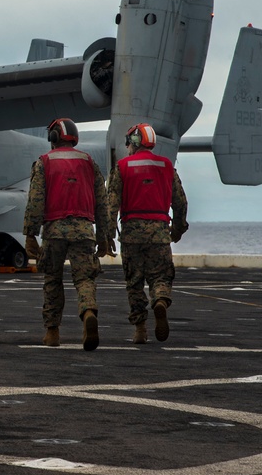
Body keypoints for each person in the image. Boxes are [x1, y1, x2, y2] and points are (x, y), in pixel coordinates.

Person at [23, 118, 113, 351]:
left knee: (52, 279)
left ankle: (52, 332)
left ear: (53, 138)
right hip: (84, 231)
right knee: (84, 279)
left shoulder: (44, 162)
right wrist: (104, 235)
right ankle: (88, 313)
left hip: (54, 231)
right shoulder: (88, 162)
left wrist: (31, 234)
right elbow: (102, 203)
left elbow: (35, 201)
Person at [107, 123, 189, 344]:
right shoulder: (167, 167)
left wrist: (106, 235)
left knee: (134, 281)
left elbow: (111, 206)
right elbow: (180, 203)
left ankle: (140, 329)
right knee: (160, 276)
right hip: (159, 231)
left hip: (131, 232)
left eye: (129, 143)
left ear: (135, 142)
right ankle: (160, 300)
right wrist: (178, 229)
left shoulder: (122, 167)